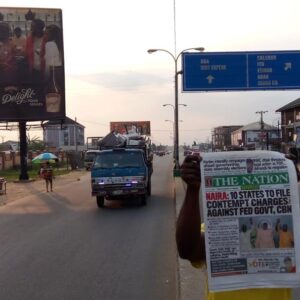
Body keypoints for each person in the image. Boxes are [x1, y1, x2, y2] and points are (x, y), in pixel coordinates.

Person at [176, 154, 292, 300]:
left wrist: (291, 177)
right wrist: (192, 190)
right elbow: (187, 250)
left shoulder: (279, 230)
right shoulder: (216, 228)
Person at [25, 18, 46, 84]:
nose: (31, 29)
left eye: (33, 27)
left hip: (45, 70)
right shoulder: (29, 39)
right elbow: (26, 53)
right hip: (33, 70)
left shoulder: (47, 38)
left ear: (40, 28)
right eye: (31, 27)